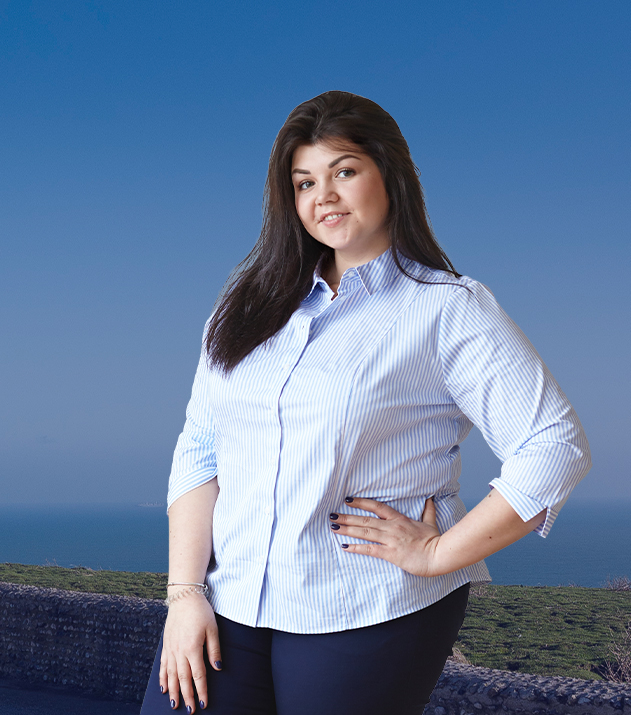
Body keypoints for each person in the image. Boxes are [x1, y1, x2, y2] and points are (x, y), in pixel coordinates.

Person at [141, 90, 591, 715]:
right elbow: (200, 447)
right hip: (229, 600)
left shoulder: (445, 309)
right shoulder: (245, 309)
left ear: (391, 174)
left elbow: (554, 445)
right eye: (303, 182)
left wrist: (439, 551)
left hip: (366, 605)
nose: (322, 196)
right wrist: (185, 594)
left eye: (344, 171)